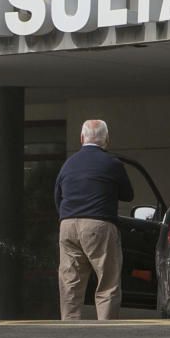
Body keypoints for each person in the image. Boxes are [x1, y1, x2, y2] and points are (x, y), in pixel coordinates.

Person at [54, 119, 134, 320]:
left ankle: (69, 326)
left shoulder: (68, 164)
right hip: (99, 224)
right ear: (106, 140)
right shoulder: (112, 163)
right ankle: (106, 330)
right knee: (107, 281)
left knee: (70, 282)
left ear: (82, 138)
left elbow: (57, 195)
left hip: (68, 225)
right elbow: (128, 194)